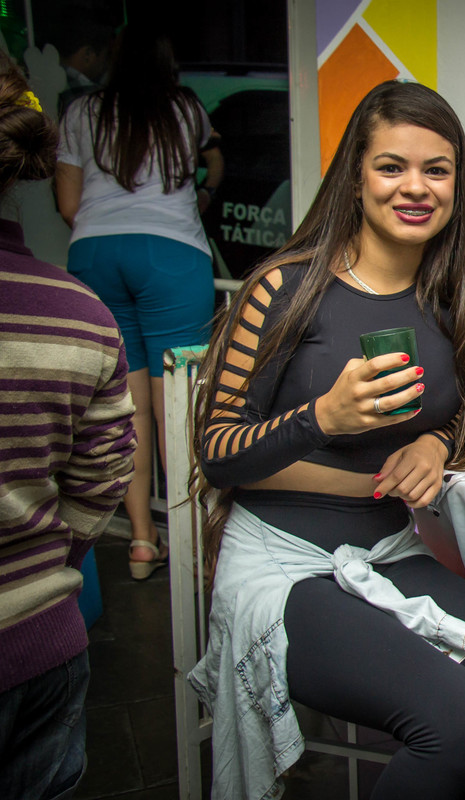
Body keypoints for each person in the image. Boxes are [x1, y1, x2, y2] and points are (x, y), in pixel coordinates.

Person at [186, 80, 465, 800]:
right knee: (458, 719)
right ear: (356, 178)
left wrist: (435, 445)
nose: (415, 187)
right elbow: (217, 454)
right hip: (282, 563)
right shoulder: (284, 287)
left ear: (457, 183)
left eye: (436, 169)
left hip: (388, 548)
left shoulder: (464, 281)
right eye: (392, 166)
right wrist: (320, 418)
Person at [0, 62, 136, 800]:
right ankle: (146, 543)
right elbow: (104, 472)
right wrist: (47, 565)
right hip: (44, 644)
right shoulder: (77, 315)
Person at [54, 23, 223, 580]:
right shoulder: (185, 108)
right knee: (178, 399)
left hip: (96, 253)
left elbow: (68, 203)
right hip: (171, 252)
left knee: (126, 407)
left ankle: (143, 542)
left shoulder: (82, 112)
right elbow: (215, 161)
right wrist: (202, 194)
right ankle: (193, 544)